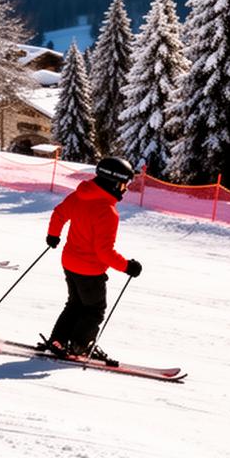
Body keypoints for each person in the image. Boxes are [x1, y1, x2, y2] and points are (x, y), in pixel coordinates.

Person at [43, 156, 142, 364]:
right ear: (114, 183)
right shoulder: (107, 211)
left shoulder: (79, 196)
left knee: (74, 305)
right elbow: (104, 252)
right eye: (125, 184)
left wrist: (53, 235)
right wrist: (128, 266)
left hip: (69, 262)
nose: (125, 190)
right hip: (90, 271)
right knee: (93, 310)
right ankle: (81, 344)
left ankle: (58, 341)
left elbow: (59, 213)